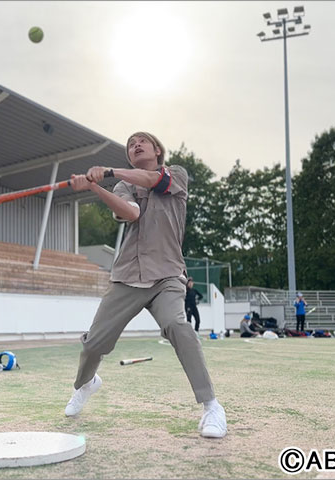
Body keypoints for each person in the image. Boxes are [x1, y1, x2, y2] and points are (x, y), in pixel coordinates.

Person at [64, 132, 226, 439]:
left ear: (157, 150)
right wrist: (96, 186)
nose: (135, 145)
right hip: (128, 275)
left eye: (141, 141)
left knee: (178, 326)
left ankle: (212, 407)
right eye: (130, 144)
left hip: (167, 275)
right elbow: (131, 212)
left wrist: (108, 171)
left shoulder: (176, 175)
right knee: (94, 343)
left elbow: (155, 180)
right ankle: (86, 385)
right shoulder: (124, 186)